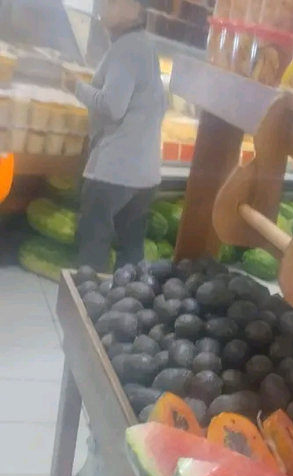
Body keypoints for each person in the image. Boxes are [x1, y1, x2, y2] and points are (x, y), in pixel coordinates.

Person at [63, 0, 166, 273]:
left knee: (93, 248)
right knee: (131, 252)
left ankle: (87, 295)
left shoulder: (127, 49)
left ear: (135, 10)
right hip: (144, 174)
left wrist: (75, 86)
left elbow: (112, 106)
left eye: (114, 2)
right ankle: (128, 298)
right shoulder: (144, 47)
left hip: (114, 171)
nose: (104, 7)